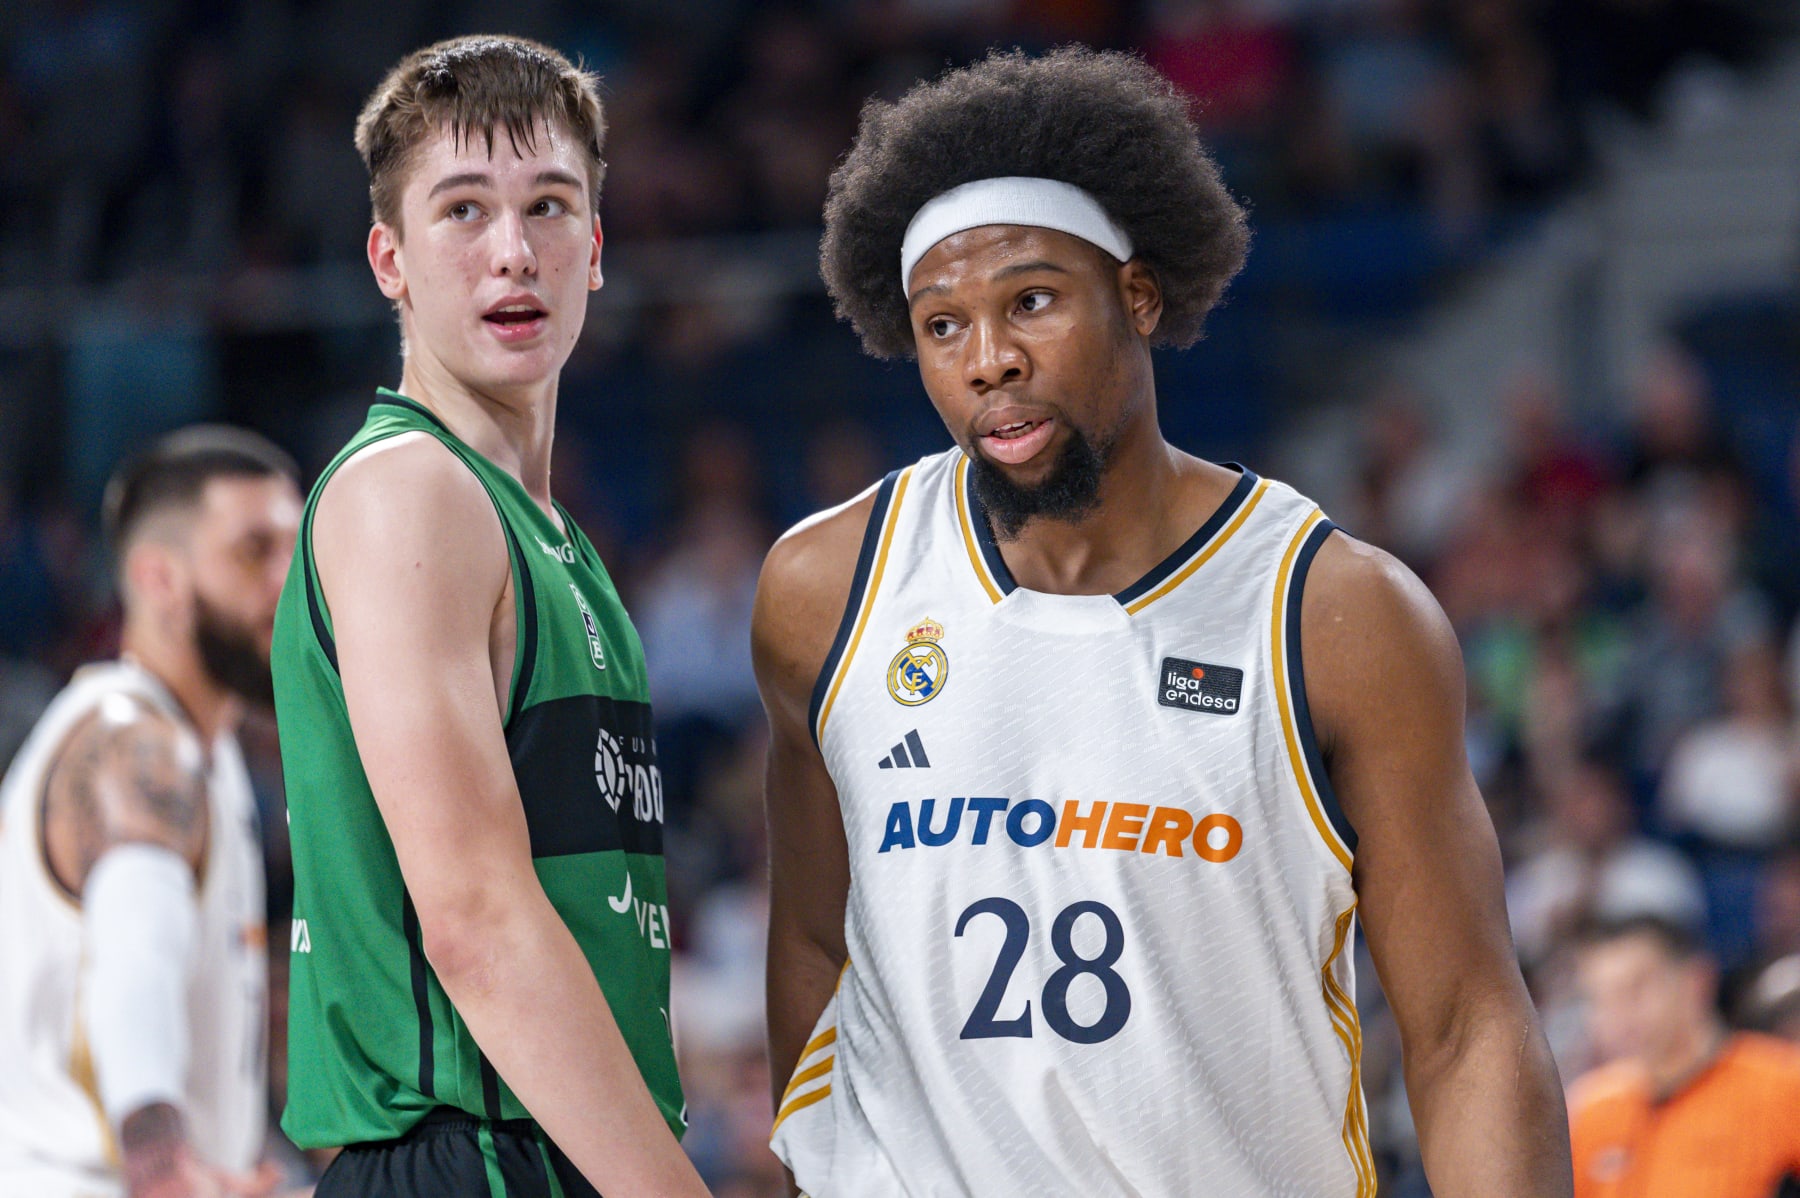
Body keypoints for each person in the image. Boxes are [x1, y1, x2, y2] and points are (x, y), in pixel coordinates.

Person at [753, 47, 1571, 1195]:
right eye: (944, 325)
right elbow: (810, 946)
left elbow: (1464, 1027)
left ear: (1137, 294)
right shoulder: (823, 587)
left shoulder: (1339, 612)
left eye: (1030, 301)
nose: (990, 360)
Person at [271, 35, 708, 1198]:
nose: (514, 253)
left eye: (549, 206)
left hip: (551, 1149)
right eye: (463, 210)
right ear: (388, 261)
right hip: (467, 1156)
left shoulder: (554, 537)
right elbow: (470, 916)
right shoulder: (409, 493)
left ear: (598, 250)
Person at [0, 427, 302, 1197]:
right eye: (253, 552)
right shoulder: (138, 747)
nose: (291, 582)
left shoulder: (206, 748)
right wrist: (161, 1162)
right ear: (158, 578)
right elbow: (136, 956)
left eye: (297, 552)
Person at [1568, 916, 1800, 1196]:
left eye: (1636, 988)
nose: (1619, 1014)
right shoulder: (1591, 1110)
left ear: (1696, 980)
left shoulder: (1783, 1084)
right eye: (1601, 998)